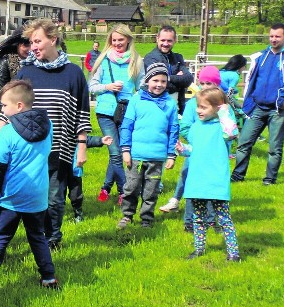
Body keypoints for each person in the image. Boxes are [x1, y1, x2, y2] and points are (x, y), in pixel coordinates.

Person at [0, 19, 91, 250]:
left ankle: (52, 238)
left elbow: (82, 112)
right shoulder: (27, 71)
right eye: (31, 42)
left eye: (38, 41)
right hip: (28, 150)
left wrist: (82, 145)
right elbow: (13, 105)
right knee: (16, 191)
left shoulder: (73, 73)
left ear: (53, 39)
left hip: (59, 148)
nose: (33, 46)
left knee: (54, 197)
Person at [0, 80, 58, 288]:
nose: (2, 110)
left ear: (18, 106)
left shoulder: (7, 133)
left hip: (12, 197)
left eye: (4, 106)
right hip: (38, 195)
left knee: (2, 234)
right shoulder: (49, 125)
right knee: (37, 236)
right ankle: (48, 276)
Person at [159, 66, 235, 233]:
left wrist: (223, 114)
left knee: (211, 188)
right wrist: (193, 141)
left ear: (217, 85)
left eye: (210, 83)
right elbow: (185, 126)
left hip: (215, 155)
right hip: (196, 150)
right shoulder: (193, 103)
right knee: (191, 183)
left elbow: (231, 131)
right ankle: (189, 222)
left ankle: (210, 220)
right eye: (202, 83)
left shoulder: (223, 106)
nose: (205, 86)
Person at [231, 23, 284, 185]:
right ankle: (237, 176)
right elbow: (251, 79)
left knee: (275, 148)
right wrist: (249, 99)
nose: (274, 40)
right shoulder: (260, 57)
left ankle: (269, 179)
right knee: (244, 143)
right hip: (258, 108)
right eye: (271, 36)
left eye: (277, 36)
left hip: (279, 110)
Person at [177, 88, 241, 262]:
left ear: (217, 108)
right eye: (198, 106)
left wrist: (224, 111)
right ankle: (199, 249)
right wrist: (183, 150)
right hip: (197, 179)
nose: (198, 110)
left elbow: (232, 133)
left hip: (216, 181)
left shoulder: (223, 127)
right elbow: (195, 149)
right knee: (198, 218)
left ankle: (233, 253)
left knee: (224, 219)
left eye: (203, 107)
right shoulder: (196, 127)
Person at [88, 24, 144, 206]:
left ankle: (105, 187)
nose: (118, 43)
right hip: (105, 111)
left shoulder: (136, 60)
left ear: (128, 39)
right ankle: (124, 191)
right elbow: (92, 86)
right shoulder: (104, 60)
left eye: (121, 39)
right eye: (114, 40)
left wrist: (136, 96)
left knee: (119, 151)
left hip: (127, 111)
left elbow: (142, 85)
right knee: (115, 152)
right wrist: (107, 87)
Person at [117, 63, 179, 229]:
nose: (159, 84)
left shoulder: (170, 104)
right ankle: (127, 215)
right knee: (131, 187)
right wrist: (125, 150)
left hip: (157, 157)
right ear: (147, 80)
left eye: (163, 81)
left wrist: (171, 154)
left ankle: (146, 218)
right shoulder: (136, 99)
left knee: (151, 191)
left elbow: (173, 130)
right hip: (135, 156)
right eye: (155, 80)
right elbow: (127, 126)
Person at [143, 25, 193, 115]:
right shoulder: (150, 58)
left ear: (175, 40)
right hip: (157, 107)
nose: (165, 44)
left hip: (177, 108)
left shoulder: (178, 58)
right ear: (157, 39)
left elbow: (188, 79)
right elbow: (158, 85)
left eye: (169, 41)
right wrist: (178, 80)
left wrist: (168, 78)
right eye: (163, 40)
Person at [0, 27, 30, 110]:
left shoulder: (38, 61)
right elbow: (0, 95)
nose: (30, 49)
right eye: (26, 44)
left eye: (32, 43)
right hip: (13, 112)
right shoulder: (5, 61)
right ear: (17, 44)